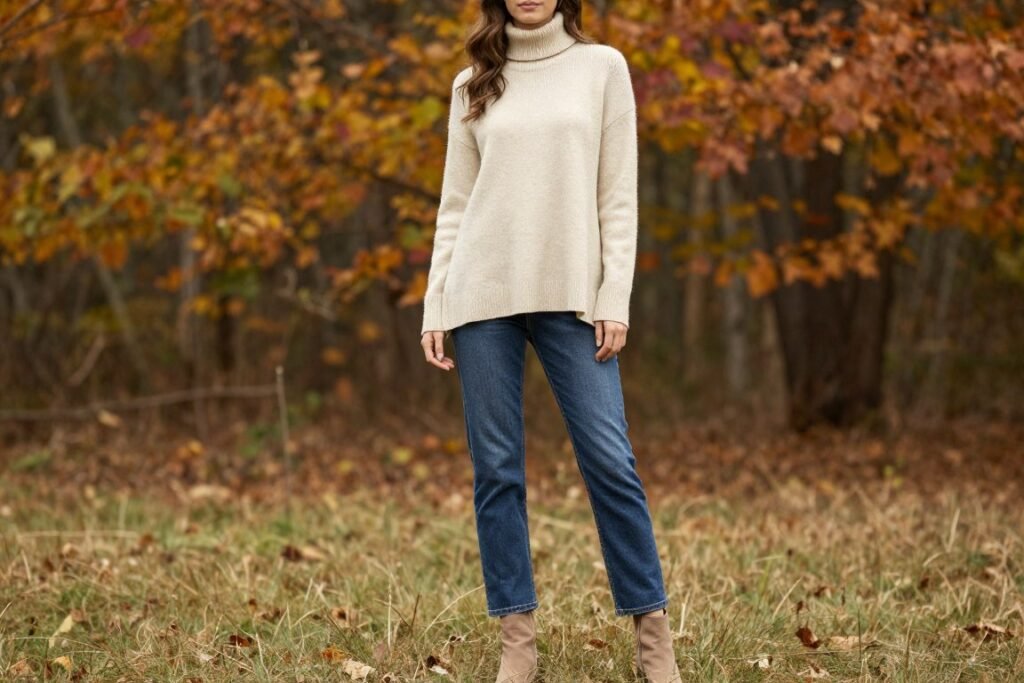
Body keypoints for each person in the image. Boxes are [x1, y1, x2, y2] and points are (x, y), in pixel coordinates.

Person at [419, 1, 682, 681]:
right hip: (482, 295)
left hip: (572, 296)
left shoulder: (602, 68)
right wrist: (435, 301)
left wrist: (612, 293)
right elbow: (456, 204)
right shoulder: (473, 80)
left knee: (609, 460)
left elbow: (616, 196)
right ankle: (518, 644)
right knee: (497, 470)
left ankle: (653, 637)